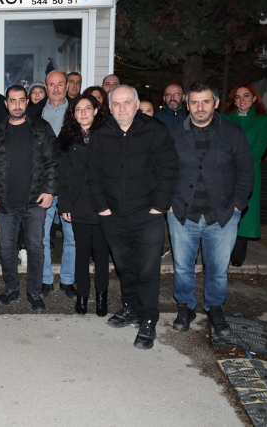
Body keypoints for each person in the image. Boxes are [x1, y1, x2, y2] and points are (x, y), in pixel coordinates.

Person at [86, 85, 178, 350]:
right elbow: (92, 174)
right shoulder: (101, 135)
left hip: (147, 214)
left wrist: (159, 207)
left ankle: (148, 319)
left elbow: (169, 169)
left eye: (127, 102)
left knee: (147, 269)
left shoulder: (155, 131)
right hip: (113, 216)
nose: (122, 108)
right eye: (116, 103)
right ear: (109, 108)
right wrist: (102, 208)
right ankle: (131, 308)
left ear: (137, 105)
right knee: (125, 267)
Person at [168, 82, 254, 337]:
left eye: (205, 101)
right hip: (182, 214)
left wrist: (237, 204)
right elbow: (161, 170)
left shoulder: (232, 132)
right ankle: (185, 307)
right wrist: (168, 203)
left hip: (223, 215)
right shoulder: (173, 133)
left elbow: (246, 170)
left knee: (217, 269)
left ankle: (215, 308)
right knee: (182, 267)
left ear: (215, 103)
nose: (200, 107)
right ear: (187, 105)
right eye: (194, 102)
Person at [0, 85, 57, 311]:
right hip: (4, 203)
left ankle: (34, 291)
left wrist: (49, 190)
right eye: (12, 100)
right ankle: (11, 288)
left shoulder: (42, 128)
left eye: (21, 100)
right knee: (7, 248)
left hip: (35, 202)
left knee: (36, 248)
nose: (17, 105)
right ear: (6, 103)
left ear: (27, 102)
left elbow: (52, 162)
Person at [58, 93, 111, 317]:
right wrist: (65, 205)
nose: (83, 113)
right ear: (73, 113)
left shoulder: (108, 135)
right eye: (78, 109)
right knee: (81, 253)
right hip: (78, 203)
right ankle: (82, 296)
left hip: (102, 204)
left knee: (101, 255)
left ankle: (101, 297)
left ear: (96, 111)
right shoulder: (66, 138)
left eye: (87, 108)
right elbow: (63, 175)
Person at [35, 71, 76, 298]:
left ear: (67, 86)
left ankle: (68, 280)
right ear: (46, 86)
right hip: (43, 185)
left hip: (72, 185)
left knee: (72, 236)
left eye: (61, 84)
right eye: (52, 84)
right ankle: (45, 279)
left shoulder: (79, 110)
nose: (57, 88)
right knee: (41, 235)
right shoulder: (35, 111)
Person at [221, 83, 267, 267]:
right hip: (225, 172)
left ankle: (237, 255)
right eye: (237, 96)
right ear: (233, 100)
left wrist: (240, 165)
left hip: (249, 171)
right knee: (224, 211)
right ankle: (221, 253)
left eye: (246, 96)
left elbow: (259, 148)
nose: (241, 100)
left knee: (245, 214)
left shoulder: (263, 120)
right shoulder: (224, 118)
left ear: (254, 98)